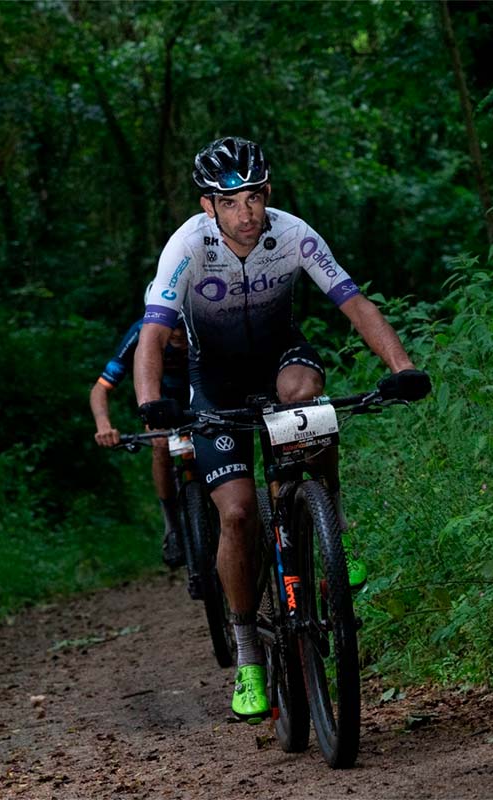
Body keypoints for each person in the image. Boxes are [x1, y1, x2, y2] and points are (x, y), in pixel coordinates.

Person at [133, 136, 430, 720]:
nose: (247, 213)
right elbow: (152, 332)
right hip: (214, 381)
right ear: (208, 207)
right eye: (231, 201)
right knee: (239, 514)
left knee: (305, 394)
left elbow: (355, 303)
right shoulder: (186, 247)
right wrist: (151, 402)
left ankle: (330, 524)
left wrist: (403, 368)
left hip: (280, 358)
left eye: (255, 197)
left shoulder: (292, 233)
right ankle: (247, 656)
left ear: (268, 193)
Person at [90, 301, 190, 568]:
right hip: (162, 405)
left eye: (183, 325)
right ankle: (172, 528)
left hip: (198, 402)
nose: (179, 334)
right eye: (173, 327)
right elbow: (100, 389)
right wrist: (104, 426)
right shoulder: (141, 333)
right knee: (160, 445)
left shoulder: (202, 328)